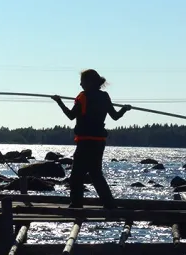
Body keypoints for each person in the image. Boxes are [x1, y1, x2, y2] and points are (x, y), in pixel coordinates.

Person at [52, 69, 131, 209]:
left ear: (89, 82)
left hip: (85, 142)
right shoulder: (105, 96)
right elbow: (115, 116)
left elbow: (70, 116)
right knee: (96, 174)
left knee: (77, 176)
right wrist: (124, 109)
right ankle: (109, 204)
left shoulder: (83, 97)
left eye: (82, 81)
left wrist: (59, 102)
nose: (80, 84)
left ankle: (76, 204)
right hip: (99, 142)